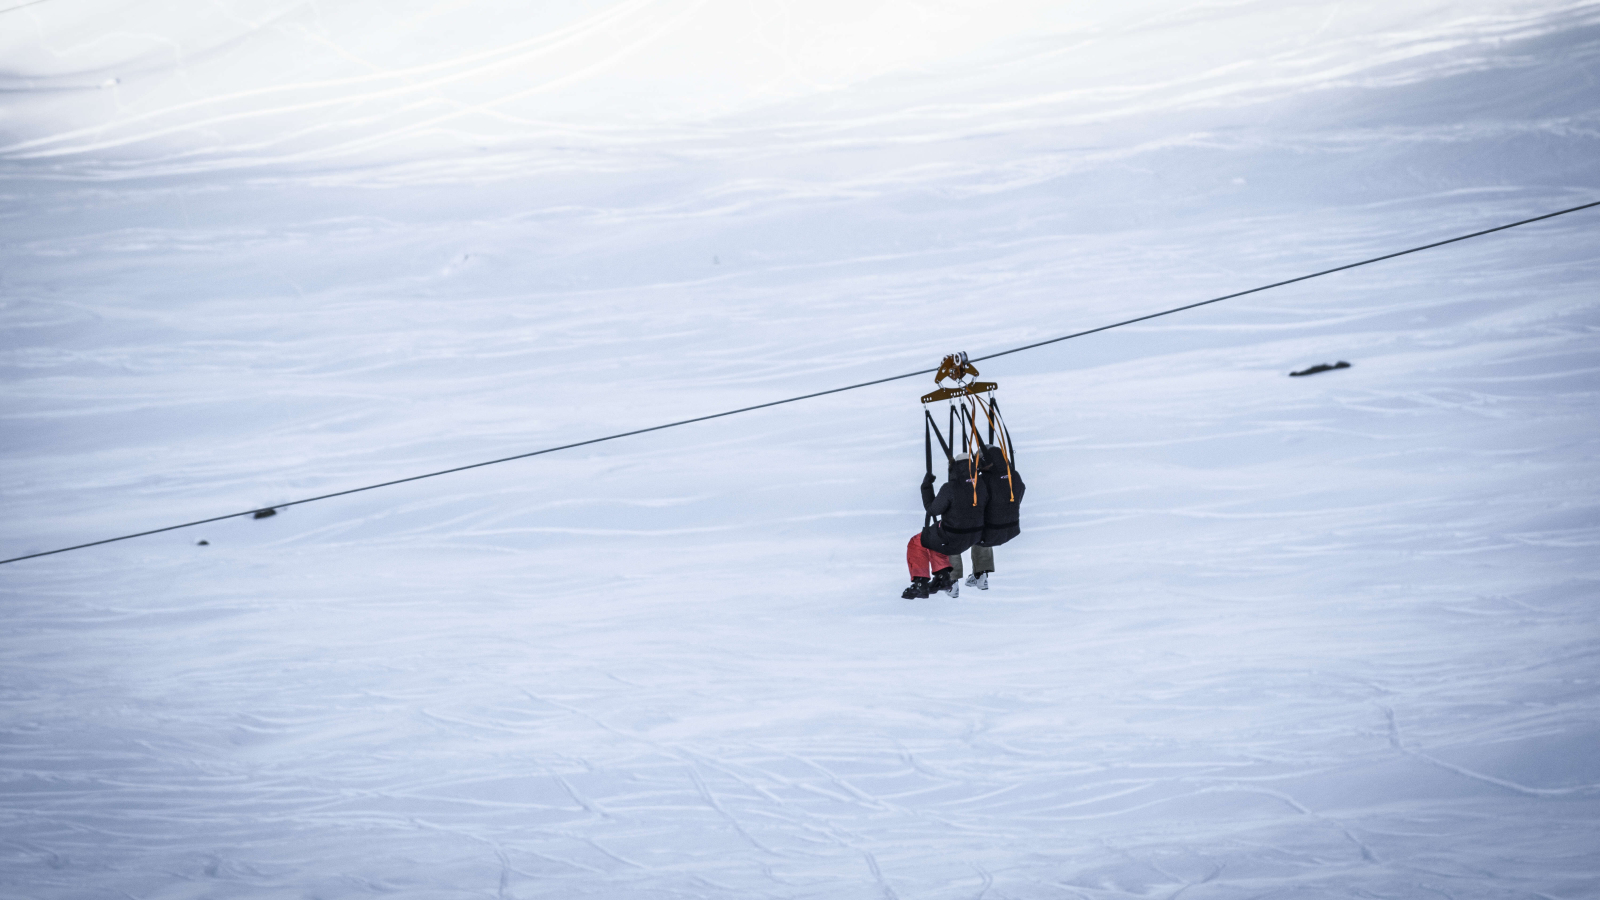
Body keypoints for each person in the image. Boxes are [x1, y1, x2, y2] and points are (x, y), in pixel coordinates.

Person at [902, 451, 988, 598]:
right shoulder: (981, 485)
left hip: (954, 537)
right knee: (935, 538)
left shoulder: (950, 488)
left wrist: (926, 486)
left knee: (918, 542)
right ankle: (942, 577)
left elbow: (932, 510)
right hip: (974, 537)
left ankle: (920, 581)